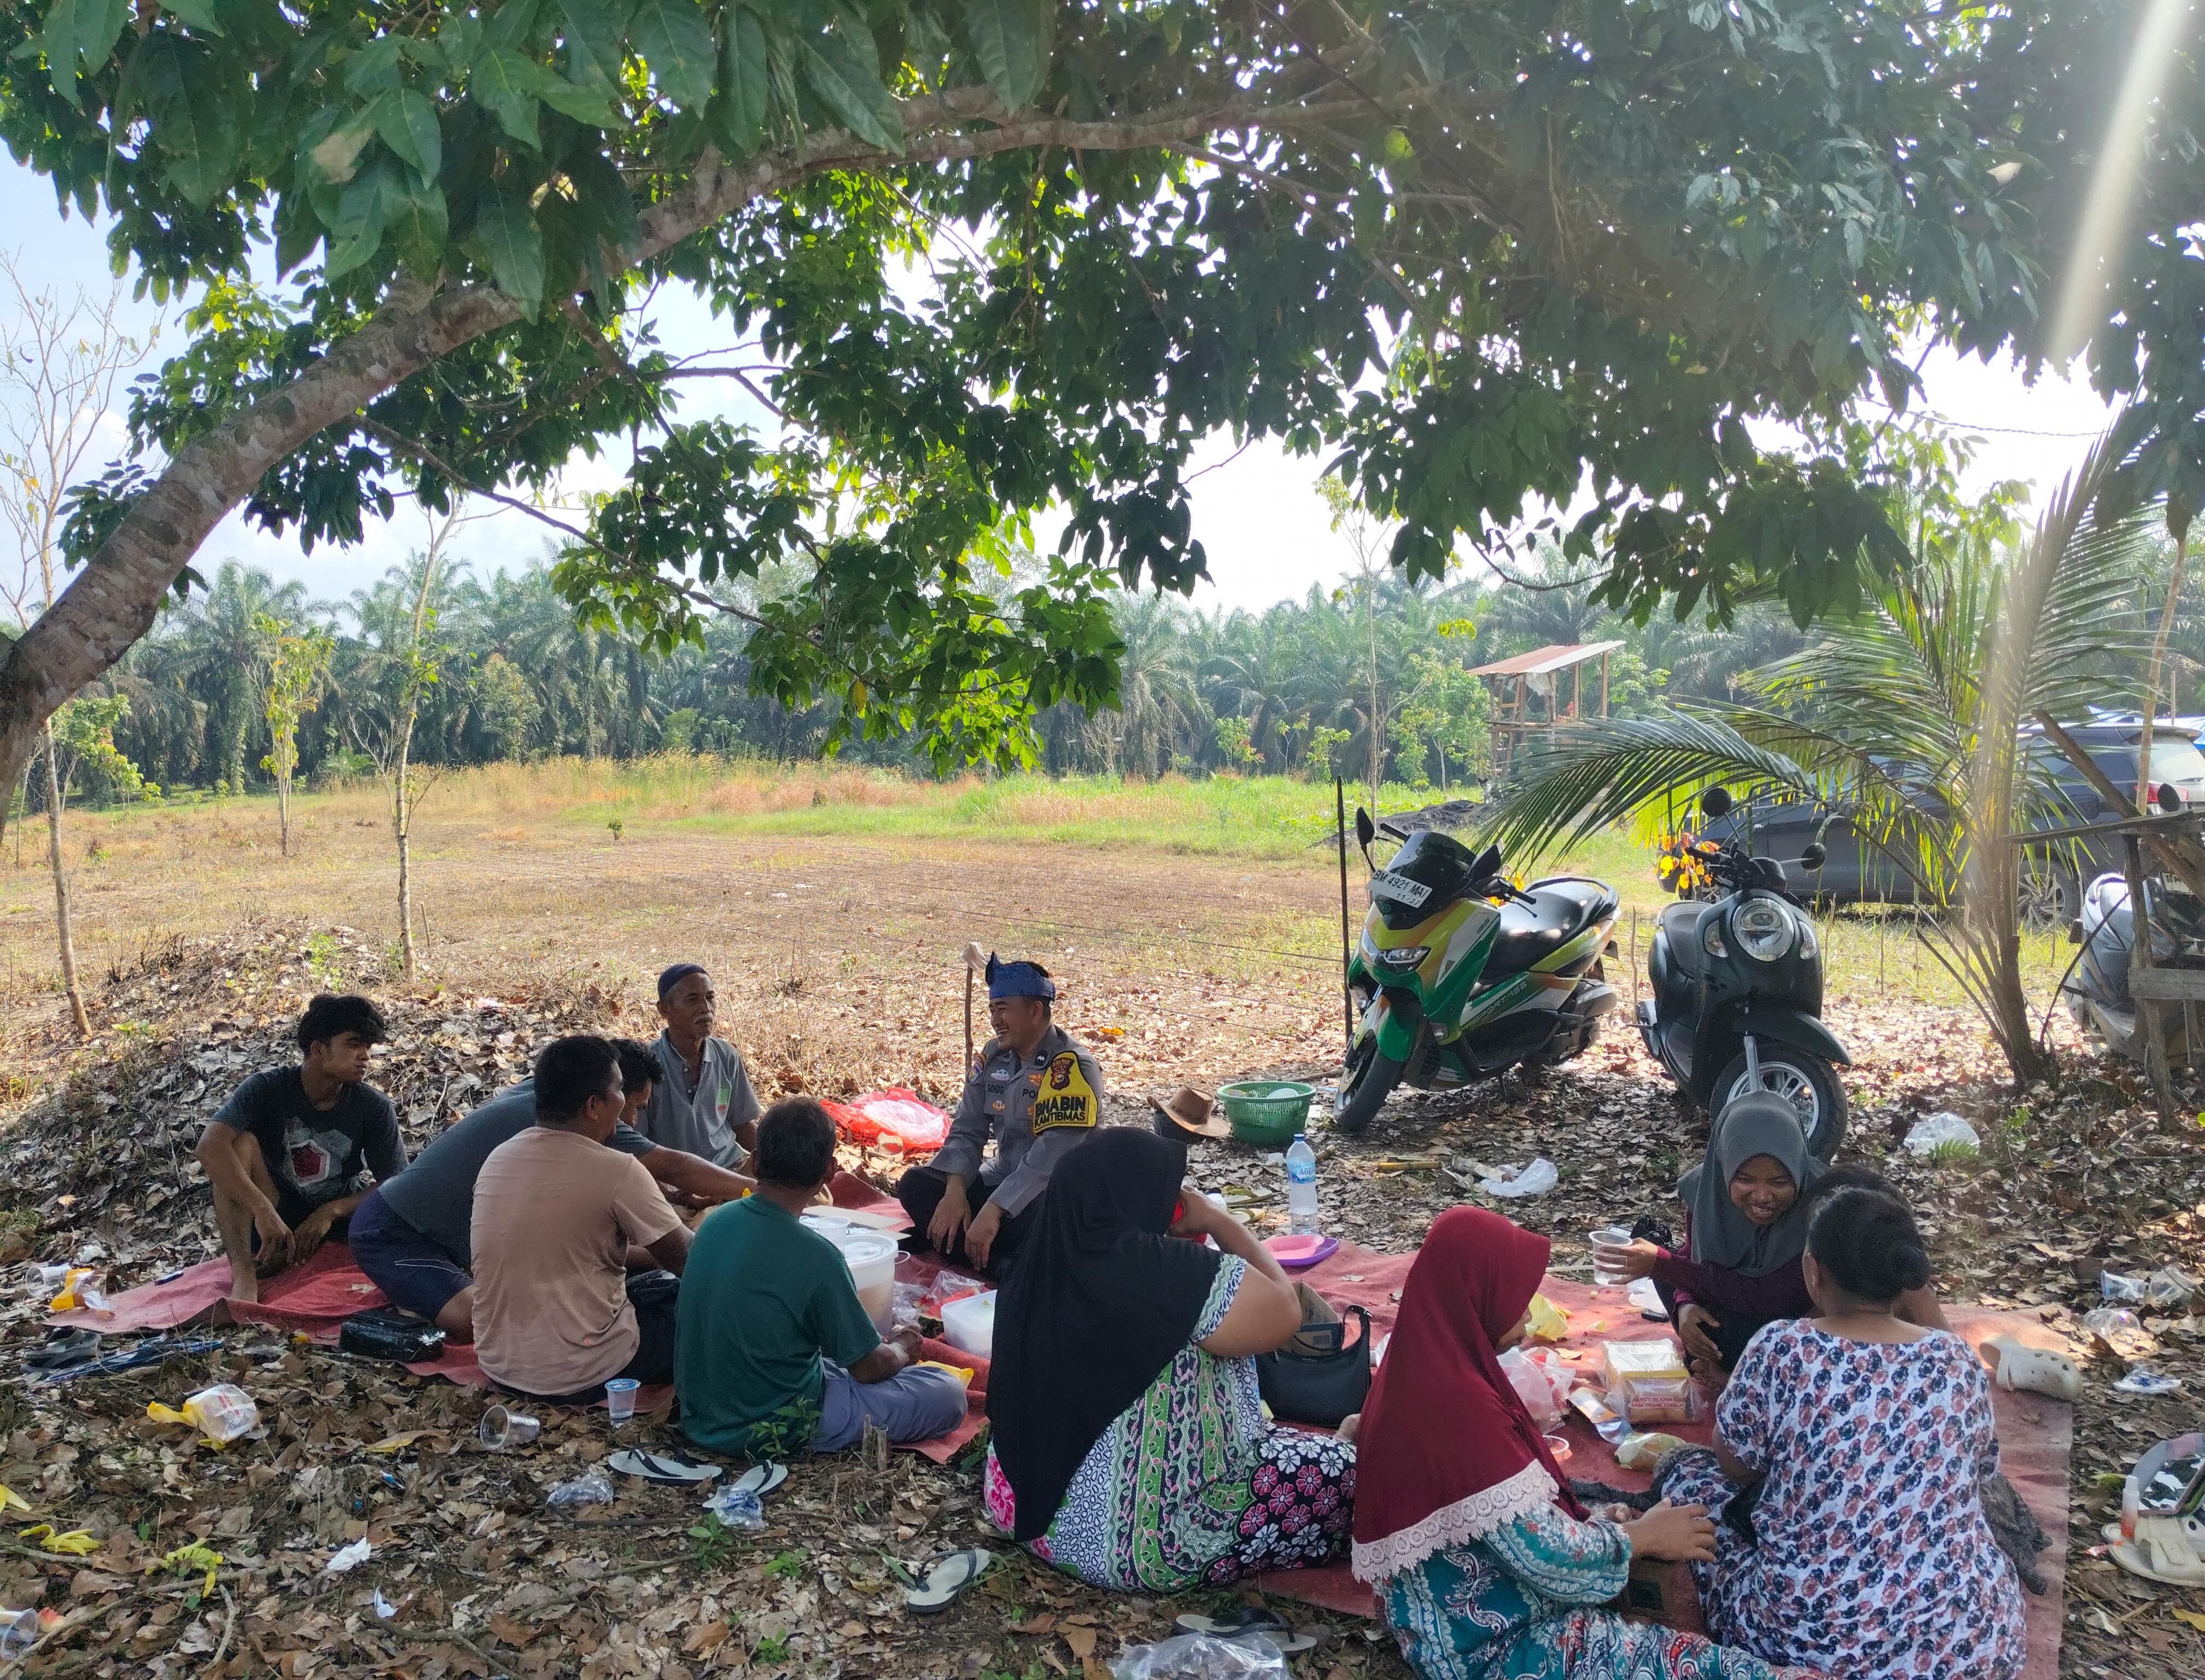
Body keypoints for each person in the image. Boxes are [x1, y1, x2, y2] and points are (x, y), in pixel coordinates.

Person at [1351, 1206, 1817, 1680]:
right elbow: (1548, 1561)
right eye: (1518, 1296)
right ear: (1479, 1296)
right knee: (1700, 1668)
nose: (1531, 1314)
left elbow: (1496, 1515)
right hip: (1492, 1648)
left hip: (1443, 1623)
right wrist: (1642, 1538)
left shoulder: (1420, 1368)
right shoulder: (1458, 1414)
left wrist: (1594, 1523)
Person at [1659, 1181, 2026, 1678]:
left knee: (1690, 1478)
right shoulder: (1956, 1357)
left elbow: (1734, 1464)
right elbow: (1981, 1469)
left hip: (1808, 1639)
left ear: (1812, 1271)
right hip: (1968, 1644)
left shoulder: (1783, 1348)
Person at [982, 1128, 1353, 1590]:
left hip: (1020, 1512)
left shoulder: (1039, 1257)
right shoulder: (1164, 1270)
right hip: (1134, 1546)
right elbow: (1286, 1311)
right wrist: (1221, 1222)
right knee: (1345, 1473)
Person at [350, 1039, 752, 1339]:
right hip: (396, 1231)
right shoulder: (584, 1130)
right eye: (634, 1106)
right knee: (480, 1324)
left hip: (454, 1235)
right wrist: (757, 1193)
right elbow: (673, 1168)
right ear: (598, 1101)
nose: (631, 1121)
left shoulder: (546, 1100)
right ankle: (420, 1299)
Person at [678, 1097, 967, 1456]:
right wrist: (903, 1349)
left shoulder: (715, 1223)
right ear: (830, 1173)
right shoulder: (817, 1255)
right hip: (775, 1425)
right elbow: (867, 1368)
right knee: (947, 1392)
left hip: (704, 1417)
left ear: (755, 1162)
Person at [1597, 1096, 1944, 1386]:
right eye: (1745, 1180)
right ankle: (1725, 1357)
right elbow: (1696, 1252)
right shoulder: (1708, 1189)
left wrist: (1663, 1263)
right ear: (1725, 1165)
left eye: (1779, 1182)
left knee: (1727, 1324)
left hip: (1786, 1320)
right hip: (1731, 1305)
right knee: (1672, 1275)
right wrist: (1685, 1305)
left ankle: (1746, 1376)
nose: (1762, 1197)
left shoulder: (1824, 1207)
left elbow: (1766, 1296)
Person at [471, 1035, 691, 1401]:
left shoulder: (498, 1159)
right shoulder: (618, 1170)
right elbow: (688, 1260)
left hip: (500, 1366)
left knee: (640, 1286)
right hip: (584, 1374)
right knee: (688, 1302)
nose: (627, 1104)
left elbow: (566, 1250)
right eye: (620, 1089)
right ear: (593, 1105)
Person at [195, 993, 406, 1303]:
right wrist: (261, 1207)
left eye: (368, 1047)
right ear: (318, 1050)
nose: (365, 1056)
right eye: (353, 1044)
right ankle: (244, 1275)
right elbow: (209, 1147)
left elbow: (395, 1182)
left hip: (336, 1226)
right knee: (239, 1144)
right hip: (272, 1219)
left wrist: (331, 1211)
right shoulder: (268, 1088)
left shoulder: (373, 1107)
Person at [896, 955, 1101, 1273]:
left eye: (1003, 1009)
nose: (995, 1020)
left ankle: (992, 1260)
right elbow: (967, 1129)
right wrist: (955, 1191)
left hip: (1050, 1194)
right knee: (917, 1185)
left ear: (1035, 1011)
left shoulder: (1071, 1066)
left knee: (1044, 1223)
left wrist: (994, 1209)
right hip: (1002, 1179)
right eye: (992, 1010)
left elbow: (1051, 1159)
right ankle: (1001, 1264)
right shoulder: (993, 1056)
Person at [637, 964, 761, 1169]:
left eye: (710, 998)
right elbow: (637, 1142)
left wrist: (778, 1162)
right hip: (674, 1176)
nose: (706, 1008)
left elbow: (741, 1123)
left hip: (731, 1165)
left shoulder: (726, 1055)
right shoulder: (646, 1063)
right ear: (664, 1010)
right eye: (692, 1000)